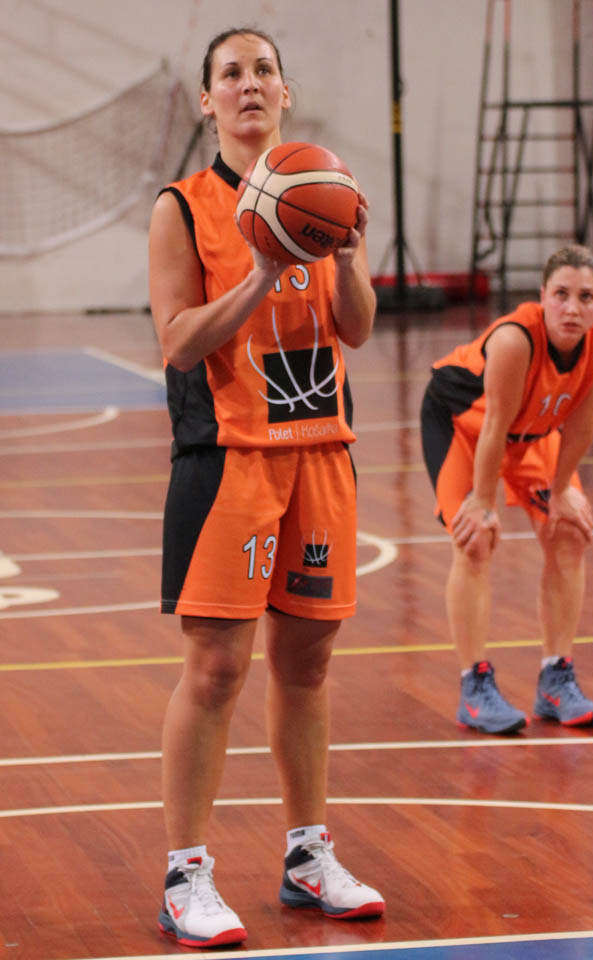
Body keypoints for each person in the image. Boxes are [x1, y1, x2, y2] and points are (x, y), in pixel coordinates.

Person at [148, 26, 384, 949]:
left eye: (264, 71)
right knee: (216, 668)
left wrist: (349, 261)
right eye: (231, 74)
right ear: (208, 100)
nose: (249, 84)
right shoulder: (183, 205)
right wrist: (261, 274)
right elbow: (178, 342)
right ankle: (186, 874)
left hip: (321, 451)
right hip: (228, 459)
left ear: (286, 91)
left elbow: (355, 330)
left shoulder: (327, 189)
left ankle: (307, 855)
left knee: (308, 665)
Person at [420, 244, 593, 736]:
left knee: (569, 532)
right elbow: (494, 425)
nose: (572, 308)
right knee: (476, 539)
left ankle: (557, 680)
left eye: (586, 297)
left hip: (534, 435)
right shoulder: (516, 339)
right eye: (561, 294)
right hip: (465, 429)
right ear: (542, 296)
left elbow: (584, 419)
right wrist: (482, 501)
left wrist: (562, 489)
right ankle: (474, 687)